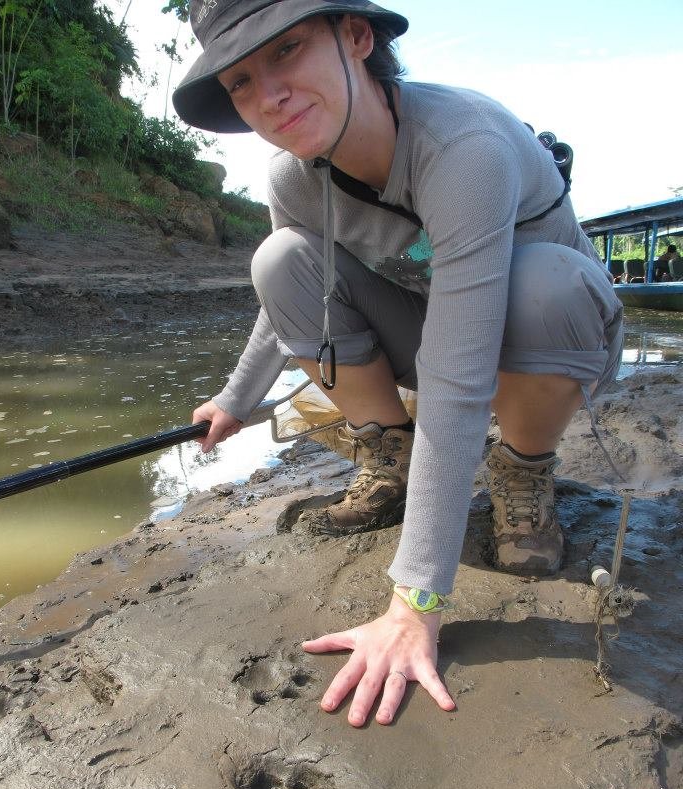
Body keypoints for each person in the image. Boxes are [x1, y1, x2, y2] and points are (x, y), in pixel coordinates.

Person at [173, 0, 624, 729]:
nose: (269, 95)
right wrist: (234, 399)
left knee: (544, 282)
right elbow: (291, 294)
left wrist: (415, 603)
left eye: (286, 51)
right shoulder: (294, 178)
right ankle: (393, 459)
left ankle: (523, 466)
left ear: (356, 37)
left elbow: (457, 373)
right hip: (427, 318)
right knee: (280, 257)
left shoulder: (462, 149)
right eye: (242, 82)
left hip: (549, 332)